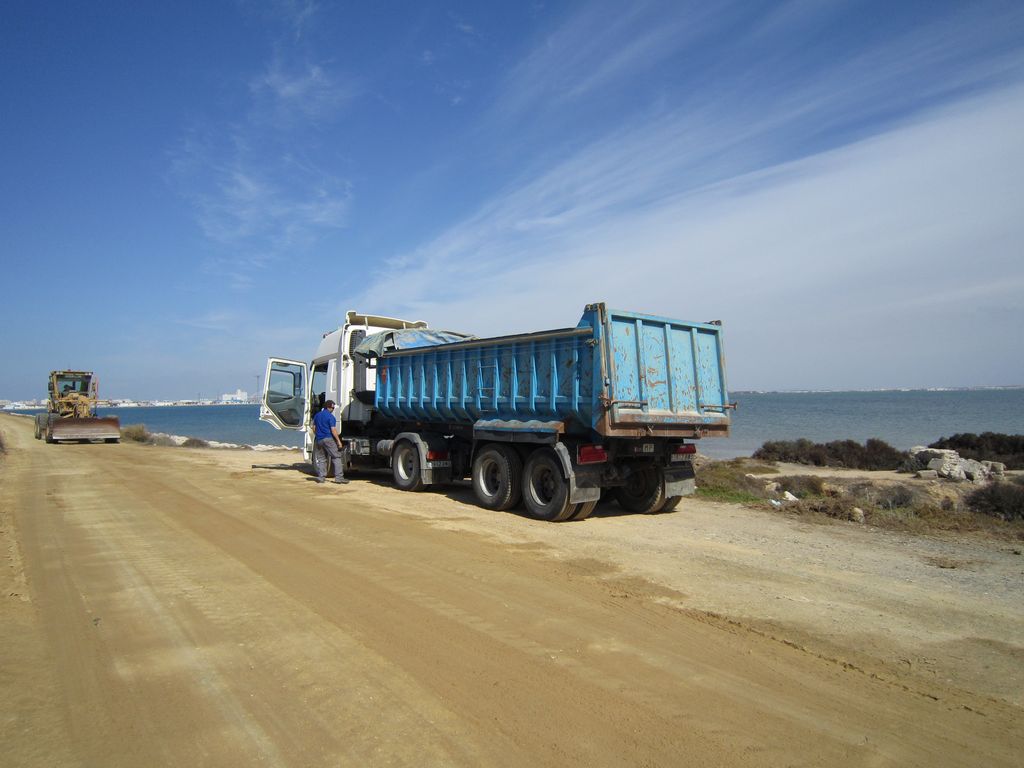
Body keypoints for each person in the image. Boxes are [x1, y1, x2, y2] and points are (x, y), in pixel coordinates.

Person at [312, 400, 349, 484]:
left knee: (321, 459)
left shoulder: (317, 415)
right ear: (330, 407)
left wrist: (317, 435)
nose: (333, 409)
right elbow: (333, 430)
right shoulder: (331, 417)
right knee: (336, 457)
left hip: (319, 440)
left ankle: (321, 478)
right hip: (328, 439)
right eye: (332, 408)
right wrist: (338, 441)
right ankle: (339, 478)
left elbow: (313, 427)